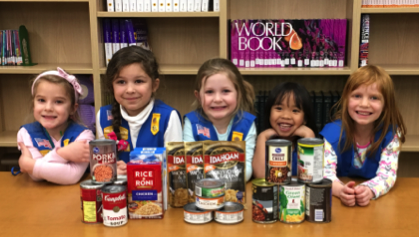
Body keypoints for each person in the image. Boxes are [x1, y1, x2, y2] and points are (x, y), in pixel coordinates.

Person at [320, 65, 406, 206]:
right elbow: (325, 173)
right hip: (337, 202)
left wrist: (369, 190)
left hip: (376, 205)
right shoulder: (332, 133)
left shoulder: (390, 135)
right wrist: (340, 191)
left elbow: (387, 176)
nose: (364, 104)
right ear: (347, 99)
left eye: (374, 98)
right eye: (357, 96)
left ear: (386, 104)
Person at [96, 46, 182, 174]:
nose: (130, 90)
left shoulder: (168, 117)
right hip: (118, 192)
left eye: (138, 81)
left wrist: (136, 171)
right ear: (111, 86)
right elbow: (101, 169)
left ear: (154, 85)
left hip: (155, 191)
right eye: (121, 82)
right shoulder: (103, 116)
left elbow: (175, 169)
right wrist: (112, 171)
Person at [17, 67, 95, 185]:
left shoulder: (84, 135)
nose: (48, 108)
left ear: (73, 108)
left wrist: (29, 164)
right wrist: (63, 154)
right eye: (41, 100)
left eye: (58, 101)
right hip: (37, 196)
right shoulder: (25, 133)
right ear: (33, 104)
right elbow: (36, 177)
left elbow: (72, 176)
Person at [183, 58, 256, 182]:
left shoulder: (247, 123)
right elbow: (188, 167)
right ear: (198, 96)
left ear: (239, 94)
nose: (217, 99)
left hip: (234, 194)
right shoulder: (192, 122)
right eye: (209, 92)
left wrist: (211, 173)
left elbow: (247, 170)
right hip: (202, 193)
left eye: (226, 91)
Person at [252, 82, 317, 178]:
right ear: (269, 114)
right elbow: (261, 176)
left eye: (295, 110)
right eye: (279, 108)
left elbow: (309, 175)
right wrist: (263, 137)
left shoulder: (306, 140)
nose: (286, 116)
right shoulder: (264, 141)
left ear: (305, 119)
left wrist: (309, 135)